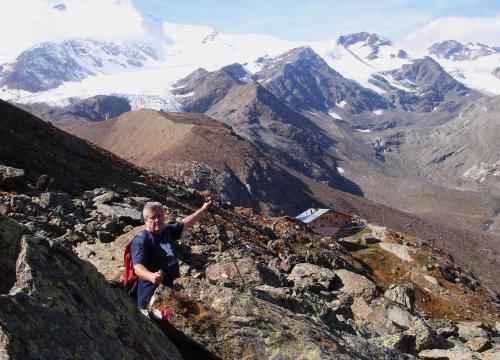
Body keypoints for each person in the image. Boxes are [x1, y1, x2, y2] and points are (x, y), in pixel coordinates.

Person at [131, 200, 211, 313]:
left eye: (160, 216)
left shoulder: (167, 230)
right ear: (145, 220)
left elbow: (185, 224)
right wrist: (151, 276)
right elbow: (138, 268)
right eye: (152, 218)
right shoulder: (141, 240)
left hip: (171, 292)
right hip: (151, 298)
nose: (157, 220)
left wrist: (202, 210)